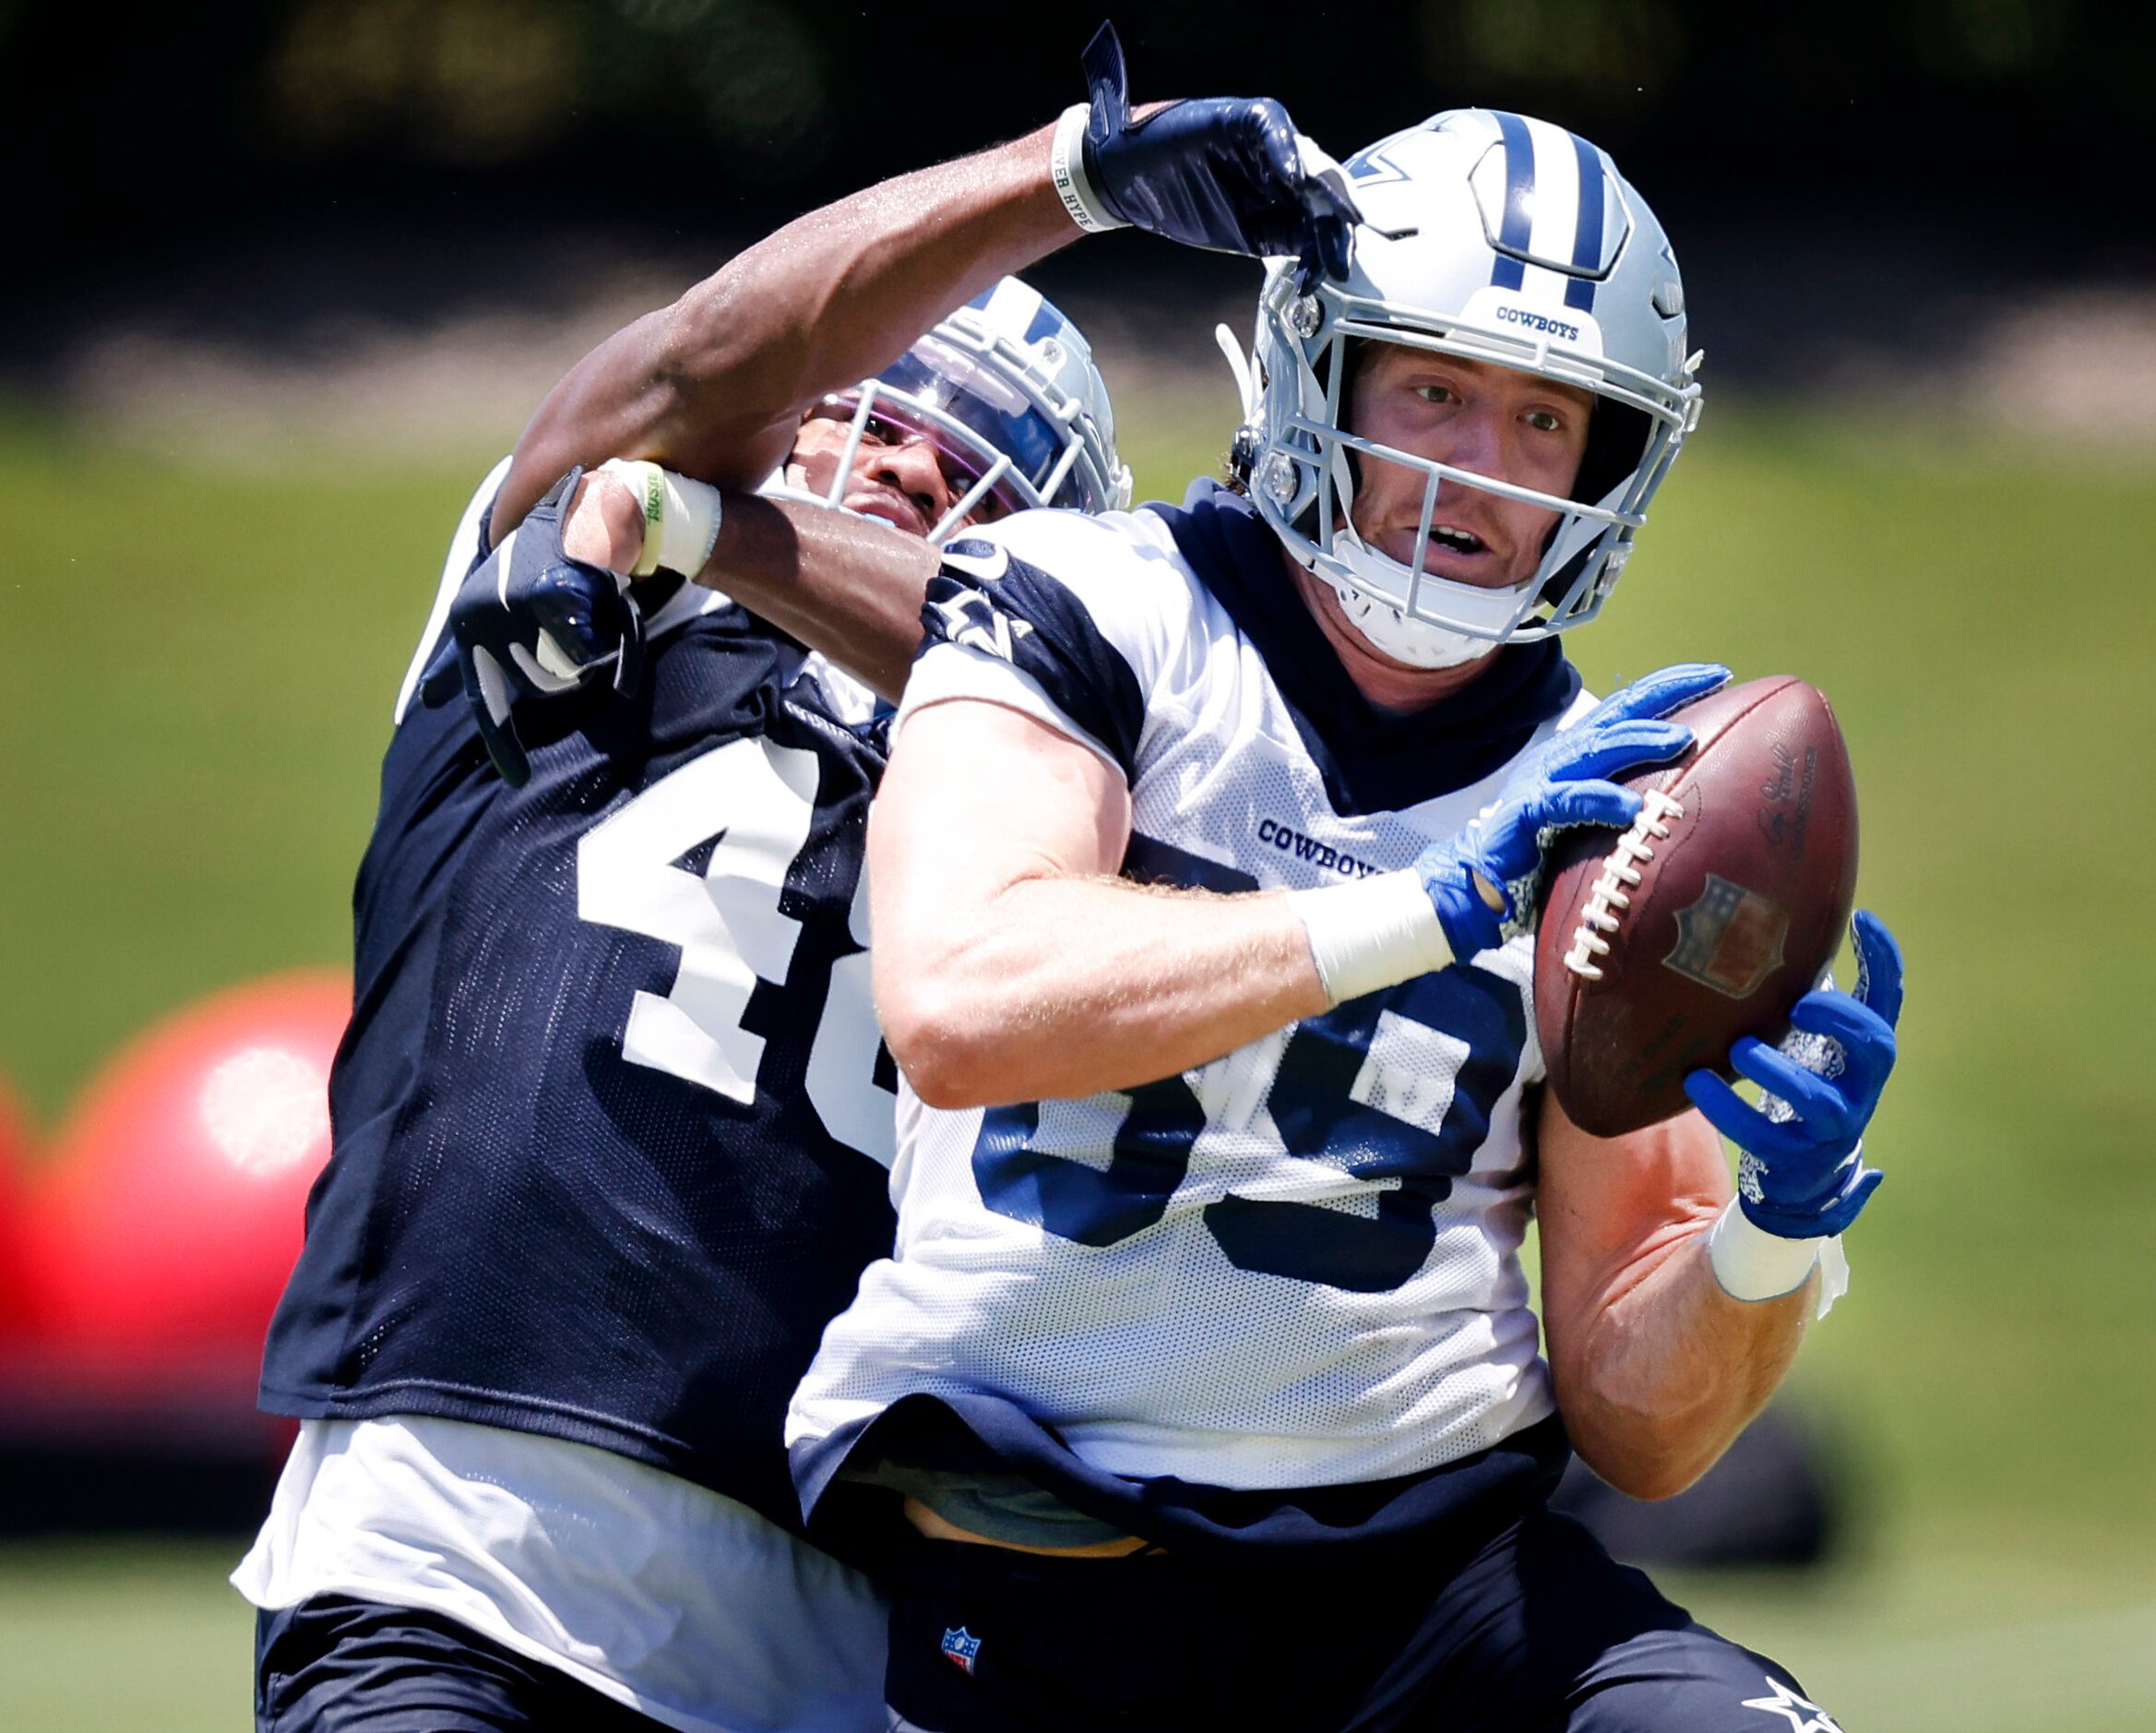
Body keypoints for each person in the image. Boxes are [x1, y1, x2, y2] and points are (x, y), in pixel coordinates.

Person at [232, 33, 1360, 1732]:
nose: (902, 460)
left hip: (841, 1656)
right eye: (867, 407)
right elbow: (690, 368)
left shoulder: (1058, 794)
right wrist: (1071, 174)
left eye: (970, 461)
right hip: (455, 1557)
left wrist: (718, 533)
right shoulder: (565, 588)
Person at [785, 108, 1905, 1731]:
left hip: (1423, 1577)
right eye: (1435, 388)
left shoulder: (1606, 800)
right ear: (1321, 366)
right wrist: (1425, 906)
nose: (1478, 466)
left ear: (1612, 458)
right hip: (1052, 1549)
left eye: (1543, 417)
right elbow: (964, 999)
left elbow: (1640, 1421)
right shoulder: (1086, 603)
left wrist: (1772, 1231)